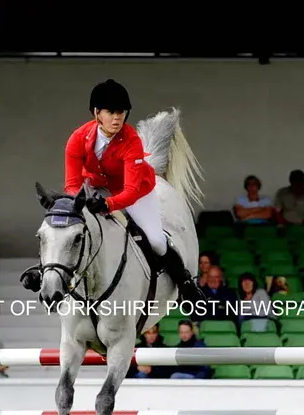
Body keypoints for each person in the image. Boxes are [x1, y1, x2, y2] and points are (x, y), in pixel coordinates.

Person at [62, 78, 206, 306]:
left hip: (136, 191)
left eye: (122, 112)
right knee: (66, 230)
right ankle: (51, 275)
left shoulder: (131, 141)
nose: (118, 117)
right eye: (111, 112)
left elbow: (129, 191)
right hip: (95, 189)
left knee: (157, 241)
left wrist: (108, 205)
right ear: (97, 112)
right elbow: (71, 184)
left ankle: (186, 284)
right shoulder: (77, 139)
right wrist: (82, 202)